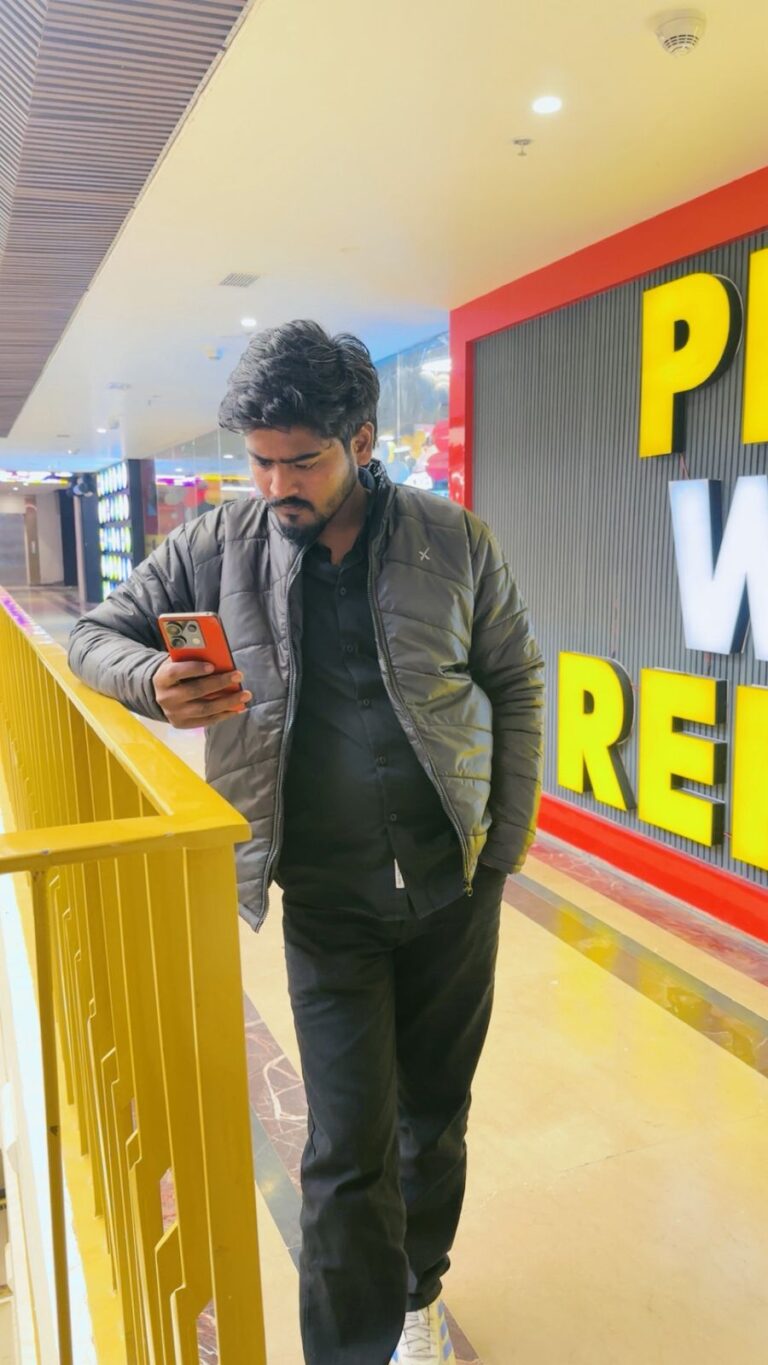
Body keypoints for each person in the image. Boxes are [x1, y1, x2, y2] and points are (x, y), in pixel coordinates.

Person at [68, 320, 544, 1365]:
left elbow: (515, 680)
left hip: (453, 889)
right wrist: (151, 679)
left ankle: (417, 1294)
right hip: (327, 903)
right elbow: (92, 634)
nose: (277, 484)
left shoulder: (452, 540)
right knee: (344, 1149)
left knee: (434, 1119)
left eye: (303, 461)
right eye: (260, 461)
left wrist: (503, 847)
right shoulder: (217, 546)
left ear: (362, 441)